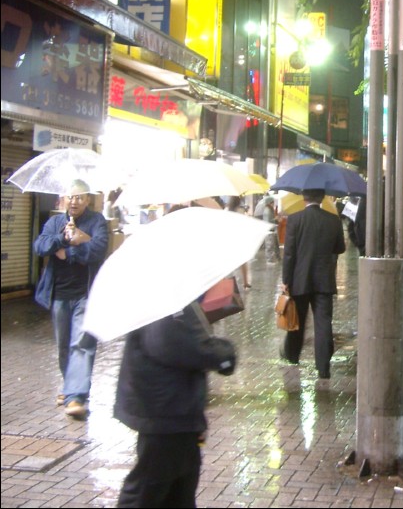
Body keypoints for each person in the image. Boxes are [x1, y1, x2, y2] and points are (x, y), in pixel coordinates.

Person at [115, 303, 237, 507]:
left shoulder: (174, 300)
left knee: (179, 490)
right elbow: (181, 346)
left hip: (176, 413)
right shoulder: (165, 303)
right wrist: (224, 354)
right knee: (147, 491)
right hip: (167, 414)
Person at [33, 179, 109, 419]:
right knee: (64, 345)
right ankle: (70, 389)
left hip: (85, 293)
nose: (74, 201)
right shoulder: (55, 221)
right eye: (70, 196)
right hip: (59, 294)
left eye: (80, 197)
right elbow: (40, 245)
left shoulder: (97, 221)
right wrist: (63, 240)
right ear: (64, 199)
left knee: (82, 343)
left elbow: (98, 249)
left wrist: (71, 251)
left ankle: (76, 396)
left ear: (87, 200)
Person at [281, 188, 346, 379]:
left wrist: (286, 280)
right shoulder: (333, 220)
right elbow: (340, 248)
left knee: (297, 320)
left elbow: (289, 254)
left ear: (303, 198)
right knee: (323, 322)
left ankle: (293, 356)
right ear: (322, 198)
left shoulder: (295, 219)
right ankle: (323, 367)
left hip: (299, 279)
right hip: (324, 279)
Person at [226, 196, 251, 288]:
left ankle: (230, 281)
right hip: (238, 239)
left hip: (230, 239)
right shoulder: (240, 211)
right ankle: (245, 282)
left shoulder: (226, 210)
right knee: (243, 261)